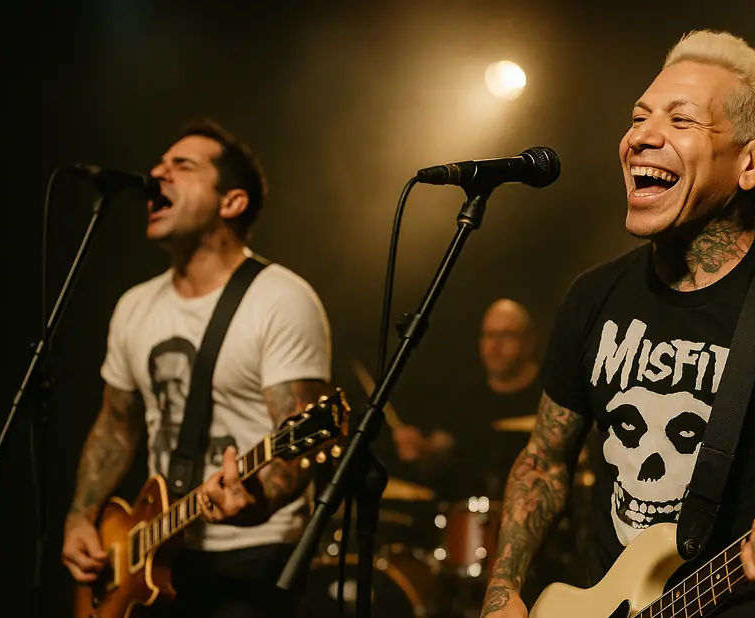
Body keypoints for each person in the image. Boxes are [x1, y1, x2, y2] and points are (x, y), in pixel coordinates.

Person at [480, 30, 755, 618]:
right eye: (638, 117)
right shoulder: (592, 297)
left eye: (680, 121)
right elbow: (544, 461)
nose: (641, 138)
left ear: (753, 161)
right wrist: (503, 590)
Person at [60, 119, 334, 618]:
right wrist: (81, 516)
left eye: (181, 166)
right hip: (154, 548)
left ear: (232, 202)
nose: (156, 174)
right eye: (159, 164)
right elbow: (115, 426)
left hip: (252, 559)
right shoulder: (134, 305)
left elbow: (298, 442)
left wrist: (255, 499)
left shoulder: (280, 298)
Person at [392, 298, 542, 498]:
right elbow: (441, 451)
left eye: (506, 335)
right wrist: (422, 450)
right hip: (474, 520)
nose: (494, 346)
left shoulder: (553, 394)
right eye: (488, 335)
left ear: (529, 341)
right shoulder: (466, 397)